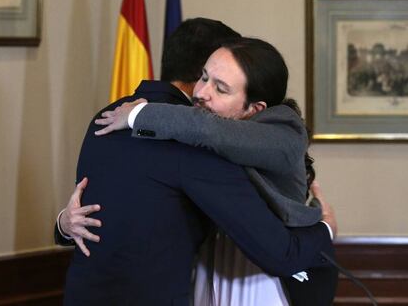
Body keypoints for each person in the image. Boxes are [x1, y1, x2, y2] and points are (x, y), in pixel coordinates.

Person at [58, 19, 337, 306]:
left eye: (221, 86)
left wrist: (62, 225)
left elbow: (103, 215)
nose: (203, 93)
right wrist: (326, 227)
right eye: (205, 77)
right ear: (201, 67)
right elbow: (281, 254)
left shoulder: (104, 118)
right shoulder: (193, 145)